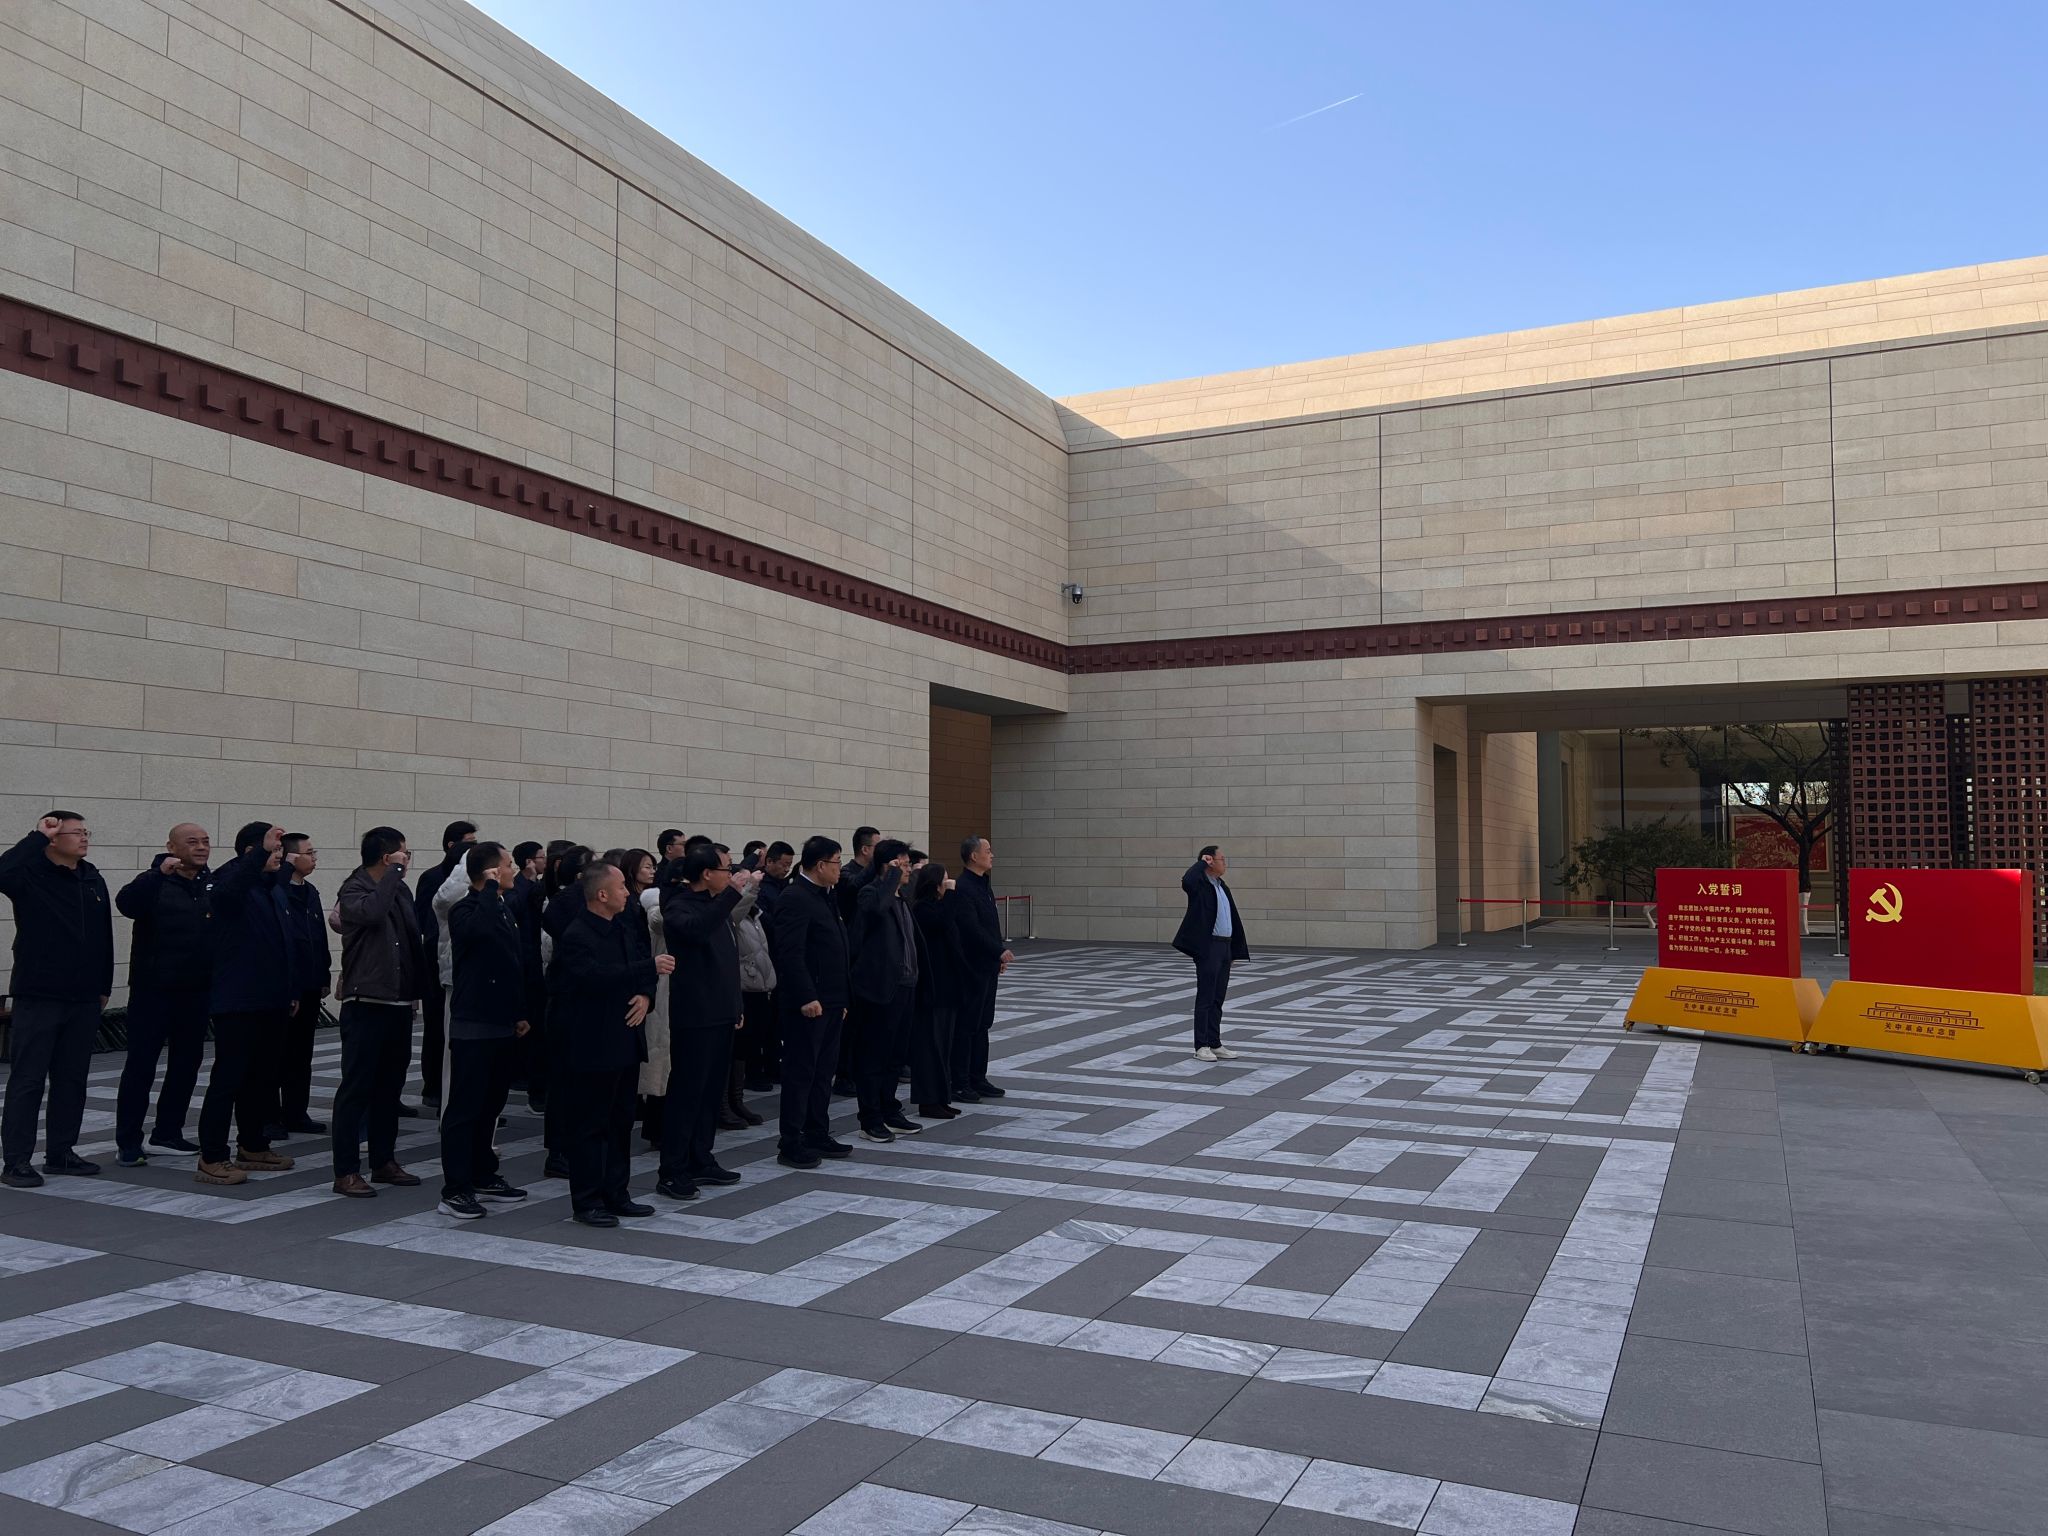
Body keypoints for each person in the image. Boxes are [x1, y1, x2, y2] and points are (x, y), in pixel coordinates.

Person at [0, 813, 114, 1188]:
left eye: (85, 831)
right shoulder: (29, 875)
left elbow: (104, 935)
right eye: (75, 832)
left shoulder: (91, 878)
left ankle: (61, 1153)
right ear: (52, 838)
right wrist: (35, 836)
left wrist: (103, 984)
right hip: (40, 993)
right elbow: (2, 871)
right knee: (28, 1079)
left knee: (71, 1079)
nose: (84, 838)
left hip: (84, 996)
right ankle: (16, 1161)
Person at [550, 860, 666, 1227]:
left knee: (620, 1123)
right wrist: (647, 969)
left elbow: (640, 965)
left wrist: (645, 996)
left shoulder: (622, 926)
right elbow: (593, 978)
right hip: (593, 1044)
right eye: (620, 888)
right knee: (591, 1126)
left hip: (625, 1041)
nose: (627, 893)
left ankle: (617, 1193)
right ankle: (587, 1201)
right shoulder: (578, 934)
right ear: (602, 894)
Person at [196, 822, 299, 1186]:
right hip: (239, 999)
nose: (279, 857)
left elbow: (283, 942)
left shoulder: (271, 887)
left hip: (272, 998)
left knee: (262, 1078)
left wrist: (290, 990)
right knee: (229, 1078)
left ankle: (253, 1145)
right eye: (273, 851)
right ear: (251, 853)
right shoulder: (231, 882)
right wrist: (258, 856)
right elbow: (226, 894)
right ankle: (212, 1156)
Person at [657, 848, 758, 1199]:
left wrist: (736, 1004)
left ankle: (701, 1157)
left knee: (711, 1092)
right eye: (725, 870)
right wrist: (733, 893)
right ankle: (673, 1169)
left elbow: (728, 960)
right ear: (705, 873)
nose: (730, 875)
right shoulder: (679, 906)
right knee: (688, 1092)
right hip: (695, 1015)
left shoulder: (717, 906)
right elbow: (696, 932)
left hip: (721, 1011)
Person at [331, 827, 427, 1198]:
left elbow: (411, 939)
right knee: (356, 1088)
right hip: (366, 1002)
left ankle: (383, 1160)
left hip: (398, 1002)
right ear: (388, 858)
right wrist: (394, 874)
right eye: (404, 853)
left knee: (390, 1087)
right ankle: (346, 1171)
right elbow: (371, 914)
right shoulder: (354, 889)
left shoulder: (399, 889)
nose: (408, 859)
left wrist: (417, 991)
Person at [438, 842, 532, 1219]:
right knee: (465, 1108)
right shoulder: (464, 909)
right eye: (508, 865)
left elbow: (511, 962)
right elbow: (477, 931)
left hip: (501, 1022)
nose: (514, 870)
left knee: (491, 1105)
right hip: (473, 1023)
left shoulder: (503, 907)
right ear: (491, 872)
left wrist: (519, 1011)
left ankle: (482, 1174)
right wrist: (489, 890)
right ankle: (455, 1189)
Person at [111, 823, 212, 1167]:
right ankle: (128, 1141)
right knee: (141, 1066)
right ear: (171, 847)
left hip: (196, 990)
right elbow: (127, 904)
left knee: (186, 1064)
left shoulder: (210, 884)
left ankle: (167, 1133)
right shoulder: (153, 881)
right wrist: (157, 875)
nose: (201, 847)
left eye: (205, 842)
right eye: (192, 842)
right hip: (153, 989)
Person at [769, 836, 852, 1169]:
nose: (840, 869)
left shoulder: (825, 896)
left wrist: (840, 997)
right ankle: (791, 1141)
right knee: (801, 1072)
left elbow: (835, 948)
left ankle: (817, 1131)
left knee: (823, 1071)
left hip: (831, 999)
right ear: (820, 865)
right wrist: (807, 996)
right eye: (836, 862)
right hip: (808, 1002)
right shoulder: (795, 898)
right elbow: (790, 953)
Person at [849, 839, 921, 1142]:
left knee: (895, 1055)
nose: (908, 869)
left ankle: (889, 1109)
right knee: (873, 1055)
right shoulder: (870, 893)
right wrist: (890, 877)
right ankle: (870, 1118)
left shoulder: (901, 897)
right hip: (879, 989)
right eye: (903, 864)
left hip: (905, 986)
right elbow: (877, 910)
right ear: (888, 866)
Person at [413, 821, 478, 1111]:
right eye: (470, 843)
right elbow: (426, 919)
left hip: (459, 964)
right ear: (453, 846)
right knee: (437, 1025)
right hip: (437, 960)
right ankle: (434, 1087)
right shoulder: (434, 878)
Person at [270, 833, 330, 1143]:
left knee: (301, 1054)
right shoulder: (277, 889)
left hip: (309, 983)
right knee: (276, 1053)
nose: (315, 858)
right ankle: (271, 1117)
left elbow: (318, 935)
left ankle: (296, 1112)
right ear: (291, 857)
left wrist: (324, 975)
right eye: (309, 853)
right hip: (285, 985)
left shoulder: (311, 891)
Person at [1175, 845, 1250, 1061]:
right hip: (1209, 947)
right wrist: (1201, 863)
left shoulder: (1221, 886)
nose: (1225, 863)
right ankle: (1201, 1045)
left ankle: (1215, 1043)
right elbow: (1187, 881)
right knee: (1206, 997)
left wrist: (1233, 950)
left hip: (1224, 947)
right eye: (1221, 859)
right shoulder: (1199, 885)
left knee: (1218, 998)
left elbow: (1231, 918)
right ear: (1209, 861)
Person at [953, 835, 1012, 1103]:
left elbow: (990, 926)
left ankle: (978, 1077)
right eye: (987, 851)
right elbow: (970, 929)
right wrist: (997, 950)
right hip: (971, 967)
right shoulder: (964, 887)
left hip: (986, 965)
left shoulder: (983, 884)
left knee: (983, 1023)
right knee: (968, 1025)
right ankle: (961, 1081)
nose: (992, 855)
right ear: (973, 856)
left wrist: (996, 956)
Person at [909, 862, 966, 1120]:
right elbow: (942, 922)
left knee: (944, 1046)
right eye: (945, 879)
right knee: (930, 1047)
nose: (949, 883)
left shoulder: (940, 906)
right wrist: (951, 894)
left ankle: (942, 1097)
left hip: (948, 987)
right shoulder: (923, 909)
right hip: (932, 989)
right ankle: (928, 1100)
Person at [735, 869, 779, 1094]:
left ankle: (755, 1073)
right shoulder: (734, 913)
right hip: (745, 982)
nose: (753, 887)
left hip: (762, 983)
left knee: (761, 1031)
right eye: (746, 883)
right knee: (746, 1038)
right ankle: (747, 1079)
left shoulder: (756, 914)